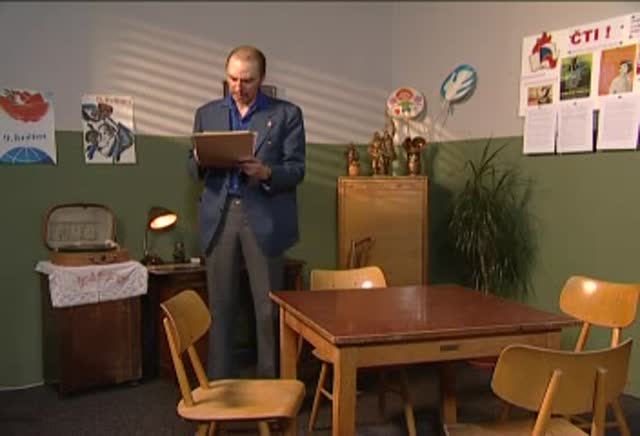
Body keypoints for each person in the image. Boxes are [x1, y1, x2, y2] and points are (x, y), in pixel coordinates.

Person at [187, 45, 306, 380]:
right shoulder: (206, 113)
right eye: (233, 79)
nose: (238, 87)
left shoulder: (286, 114)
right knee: (220, 308)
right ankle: (219, 386)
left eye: (247, 80)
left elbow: (297, 170)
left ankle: (272, 389)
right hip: (219, 216)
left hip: (264, 217)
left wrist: (266, 172)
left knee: (267, 311)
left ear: (262, 78)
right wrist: (199, 159)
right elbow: (191, 168)